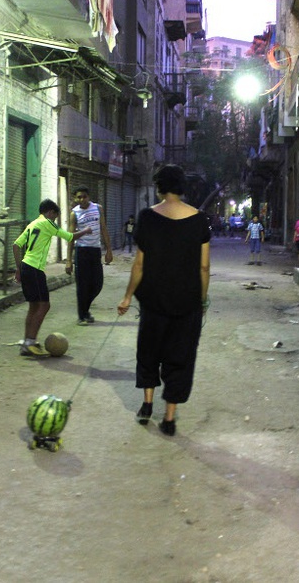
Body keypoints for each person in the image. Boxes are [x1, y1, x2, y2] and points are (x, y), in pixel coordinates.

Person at [117, 164, 211, 436]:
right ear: (182, 186)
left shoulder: (147, 217)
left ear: (159, 187)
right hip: (187, 303)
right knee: (180, 356)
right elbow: (204, 267)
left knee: (149, 352)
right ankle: (169, 418)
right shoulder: (199, 219)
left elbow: (139, 265)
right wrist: (202, 300)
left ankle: (147, 405)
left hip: (153, 301)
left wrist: (127, 296)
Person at [13, 199, 92, 357]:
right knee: (44, 305)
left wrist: (19, 268)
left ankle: (27, 342)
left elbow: (16, 245)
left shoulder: (32, 224)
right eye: (55, 217)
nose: (54, 220)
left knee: (34, 306)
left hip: (26, 267)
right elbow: (70, 237)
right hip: (35, 269)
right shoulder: (47, 223)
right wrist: (86, 230)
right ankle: (30, 341)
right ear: (50, 212)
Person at [67, 186, 113, 325]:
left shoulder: (98, 208)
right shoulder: (74, 213)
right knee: (82, 285)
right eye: (79, 197)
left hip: (95, 250)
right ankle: (82, 316)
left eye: (84, 196)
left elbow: (103, 228)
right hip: (81, 251)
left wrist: (109, 250)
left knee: (97, 284)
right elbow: (71, 237)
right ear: (75, 198)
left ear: (89, 197)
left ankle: (85, 310)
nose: (82, 199)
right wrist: (68, 260)